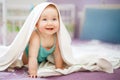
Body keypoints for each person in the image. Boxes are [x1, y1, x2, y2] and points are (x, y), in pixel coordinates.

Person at [22, 3, 64, 78]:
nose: (50, 23)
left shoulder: (56, 36)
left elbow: (57, 54)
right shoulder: (36, 36)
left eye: (54, 19)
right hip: (28, 60)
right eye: (44, 19)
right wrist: (33, 72)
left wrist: (59, 69)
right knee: (27, 62)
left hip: (42, 59)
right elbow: (32, 57)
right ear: (36, 23)